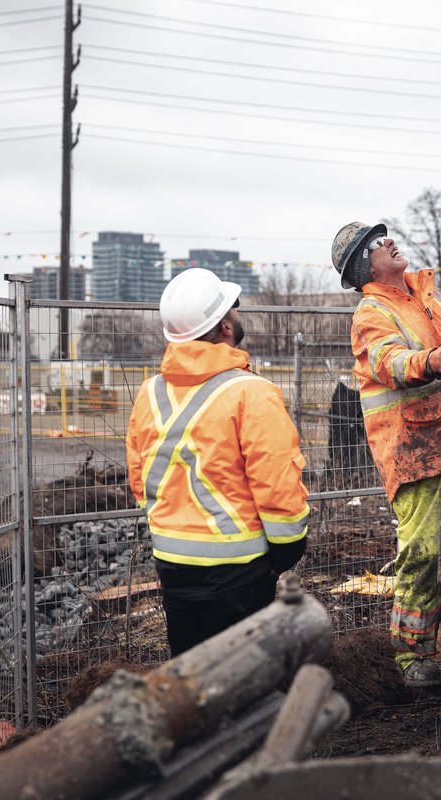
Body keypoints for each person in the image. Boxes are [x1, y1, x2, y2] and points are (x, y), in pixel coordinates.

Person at [331, 221, 441, 686]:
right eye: (376, 243)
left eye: (385, 236)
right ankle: (413, 659)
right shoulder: (372, 313)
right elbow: (387, 362)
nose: (388, 242)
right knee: (427, 553)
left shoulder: (434, 296)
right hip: (419, 450)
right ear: (362, 265)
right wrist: (431, 360)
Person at [126, 268, 310, 657]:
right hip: (238, 569)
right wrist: (287, 549)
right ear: (225, 326)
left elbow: (140, 478)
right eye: (235, 310)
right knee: (243, 678)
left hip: (172, 562)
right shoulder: (252, 393)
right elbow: (275, 483)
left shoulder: (149, 392)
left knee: (190, 674)